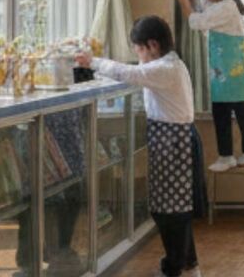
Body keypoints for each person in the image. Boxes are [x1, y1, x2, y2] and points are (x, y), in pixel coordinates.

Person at [75, 16, 202, 277]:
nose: (138, 55)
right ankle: (187, 266)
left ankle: (176, 268)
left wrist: (93, 61)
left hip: (174, 142)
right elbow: (133, 72)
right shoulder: (167, 64)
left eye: (139, 49)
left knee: (171, 212)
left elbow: (130, 73)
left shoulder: (166, 69)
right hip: (170, 140)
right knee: (170, 209)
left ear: (152, 45)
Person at [172, 0, 244, 172]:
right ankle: (228, 155)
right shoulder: (222, 3)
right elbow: (202, 3)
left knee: (240, 113)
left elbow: (197, 21)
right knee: (223, 111)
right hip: (225, 70)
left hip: (234, 70)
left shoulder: (228, 6)